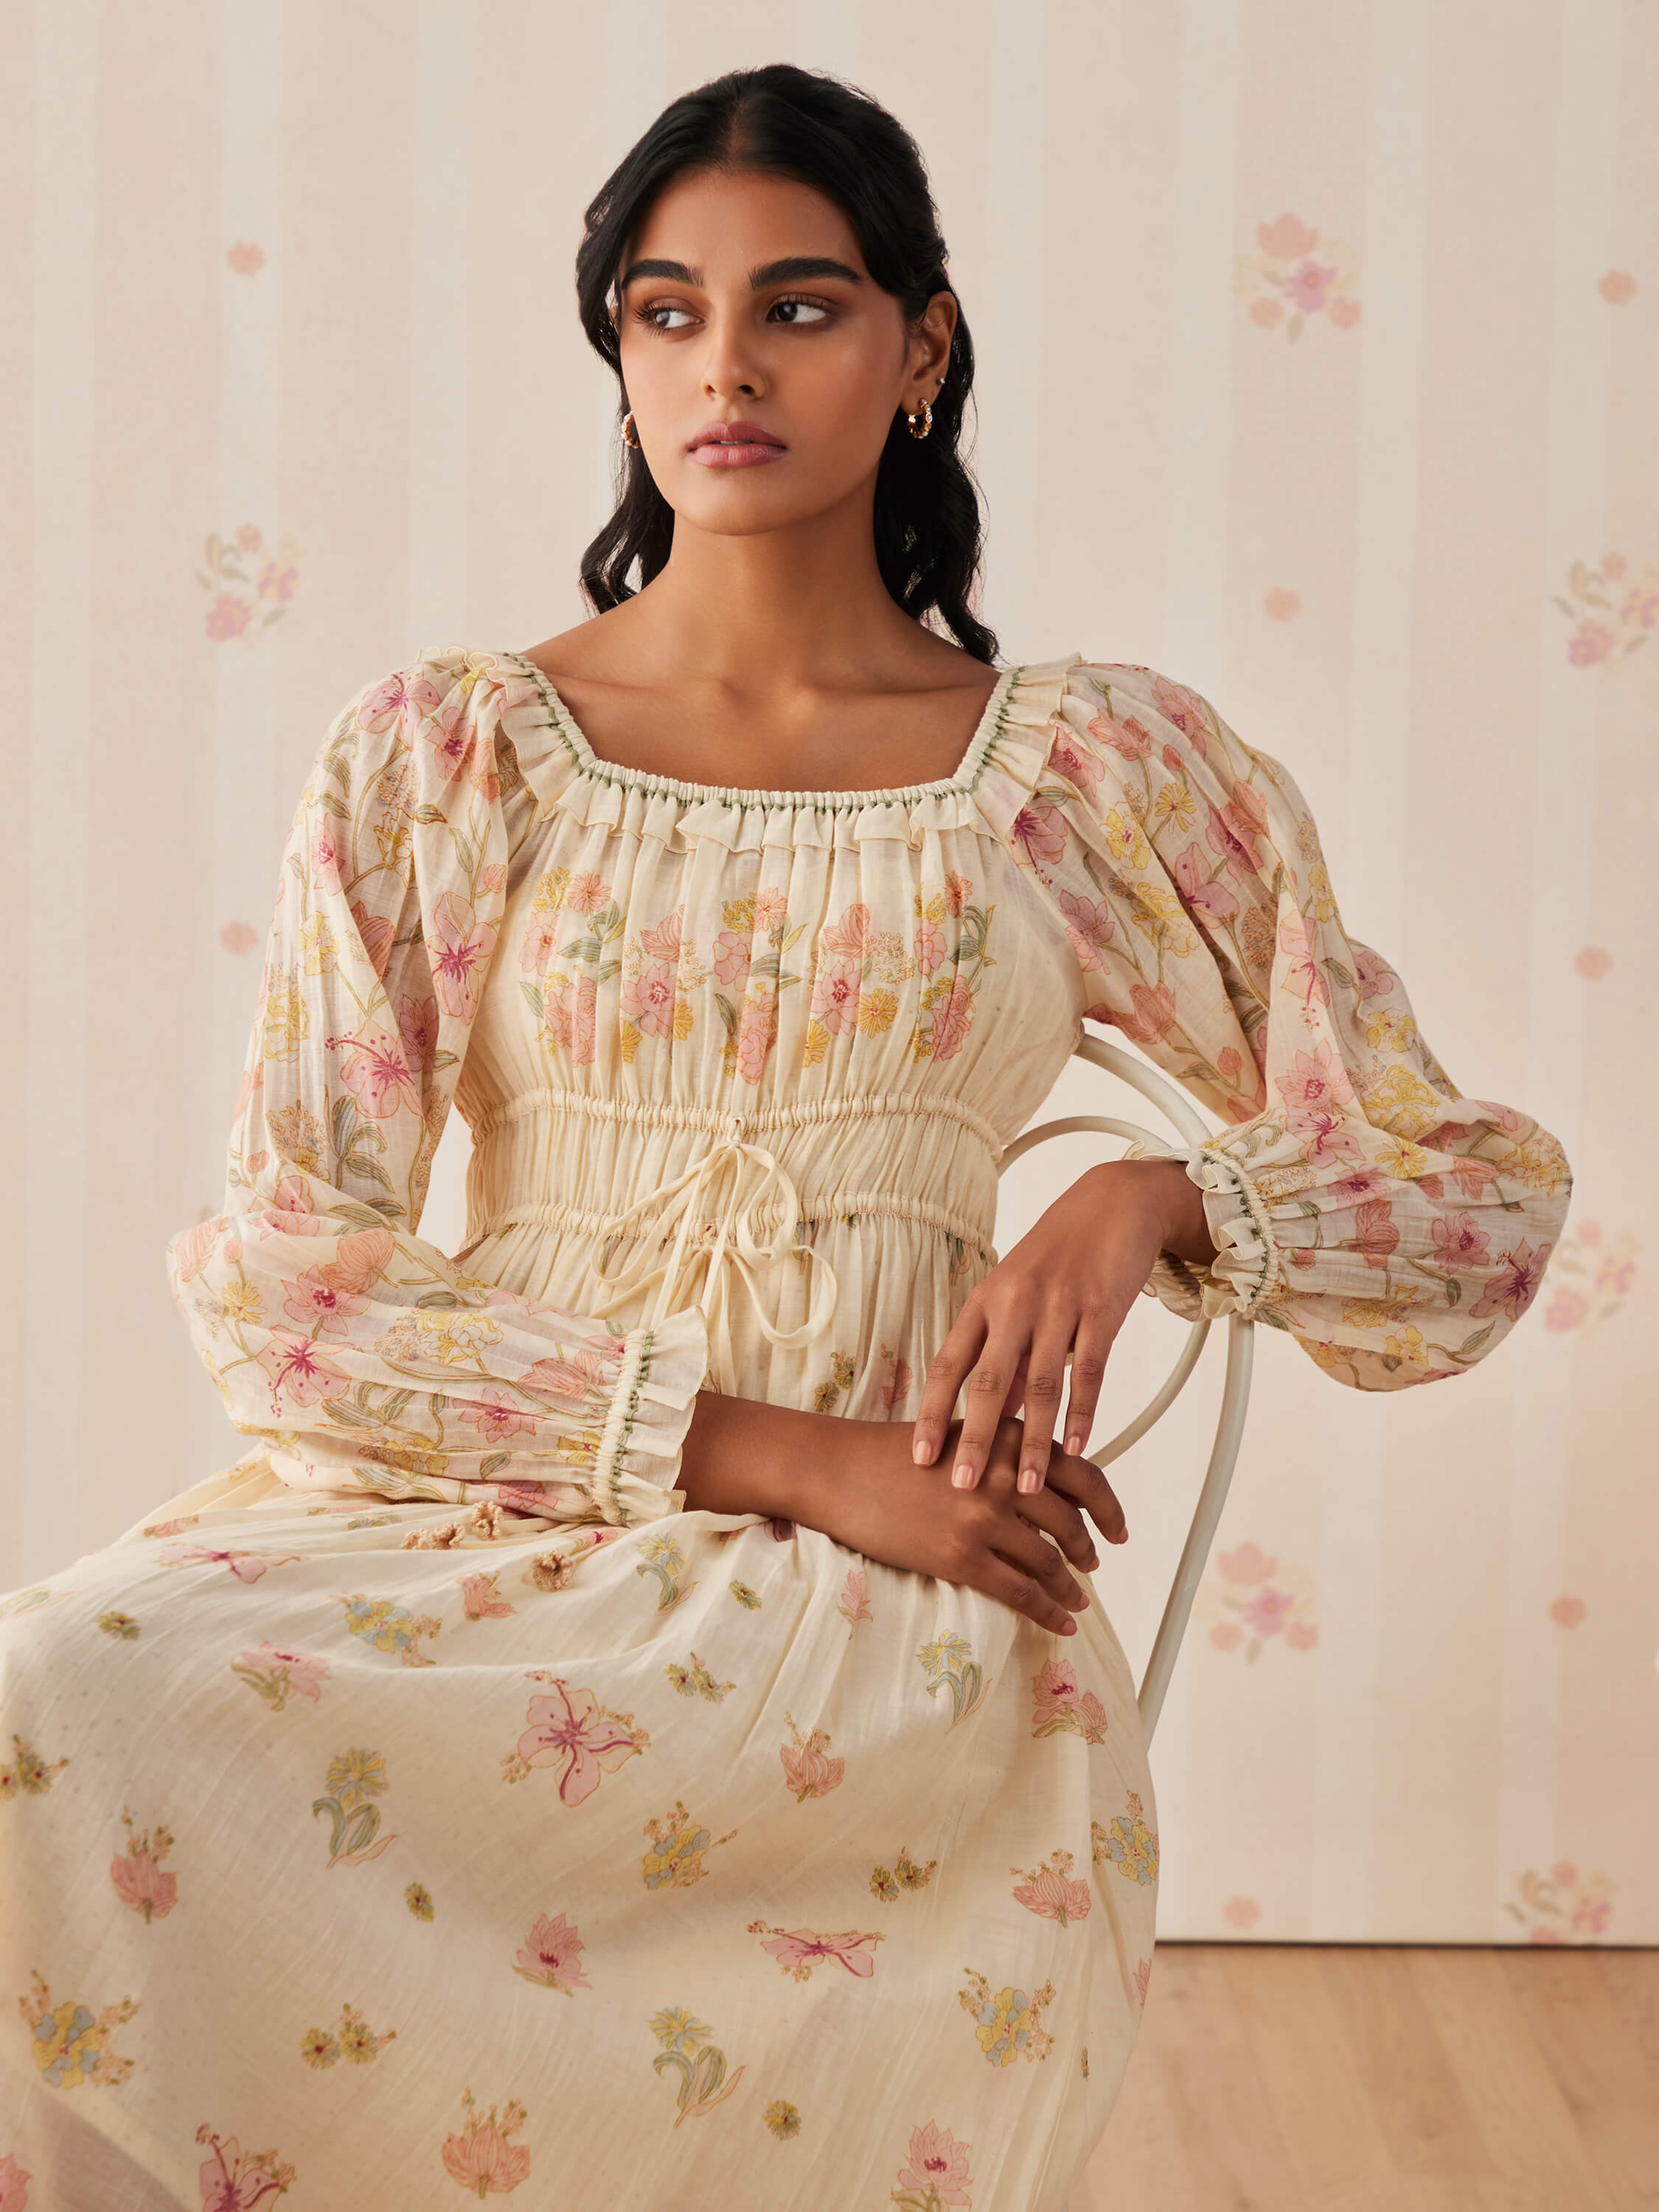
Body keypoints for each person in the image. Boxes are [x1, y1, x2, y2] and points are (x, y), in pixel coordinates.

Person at [0, 62, 1570, 2212]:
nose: (723, 363)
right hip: (498, 1505)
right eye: (665, 312)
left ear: (920, 349)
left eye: (800, 306)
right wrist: (774, 1450)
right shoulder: (450, 756)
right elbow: (286, 1287)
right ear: (620, 355)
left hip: (903, 1592)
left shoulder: (1091, 773)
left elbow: (1467, 1202)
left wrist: (1158, 1196)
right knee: (61, 1682)